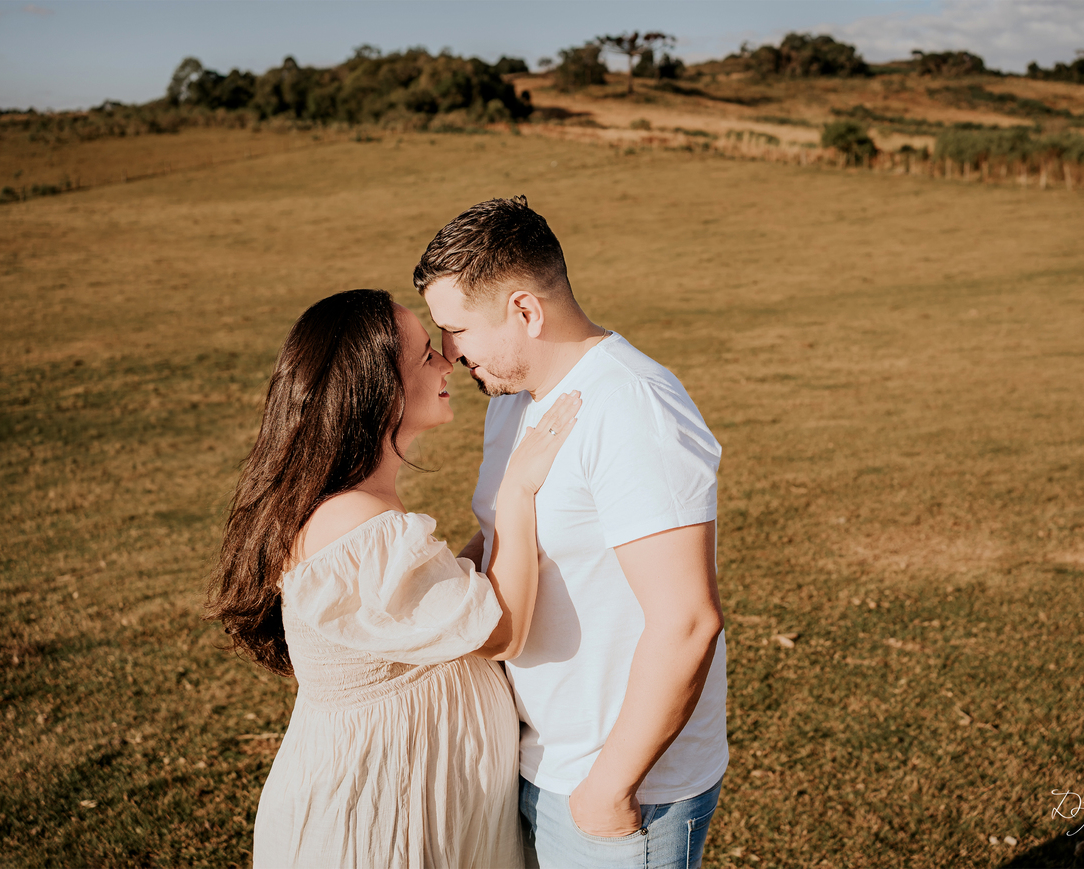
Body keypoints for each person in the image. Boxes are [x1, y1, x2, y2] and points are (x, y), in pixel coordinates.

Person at [206, 288, 580, 868]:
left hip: (401, 804)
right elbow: (500, 632)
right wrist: (517, 491)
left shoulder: (351, 508)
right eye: (426, 354)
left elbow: (439, 604)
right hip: (378, 819)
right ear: (378, 391)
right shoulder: (353, 522)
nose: (449, 360)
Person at [414, 196, 727, 869]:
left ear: (525, 311)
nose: (448, 352)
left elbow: (688, 621)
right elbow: (501, 538)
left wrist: (610, 788)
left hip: (621, 786)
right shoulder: (511, 401)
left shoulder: (631, 407)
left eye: (457, 328)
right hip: (534, 760)